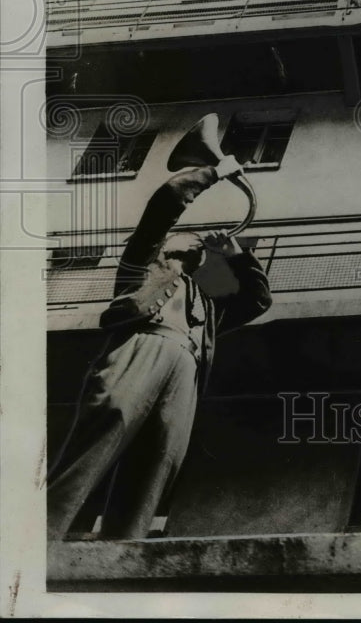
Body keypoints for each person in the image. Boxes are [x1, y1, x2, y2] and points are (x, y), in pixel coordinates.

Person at [47, 156, 272, 540]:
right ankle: (43, 533)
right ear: (166, 245)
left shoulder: (207, 304)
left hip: (186, 368)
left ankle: (124, 545)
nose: (197, 241)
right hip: (143, 349)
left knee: (160, 457)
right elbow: (165, 202)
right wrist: (214, 172)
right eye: (187, 236)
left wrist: (237, 256)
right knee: (105, 430)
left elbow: (258, 301)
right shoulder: (141, 267)